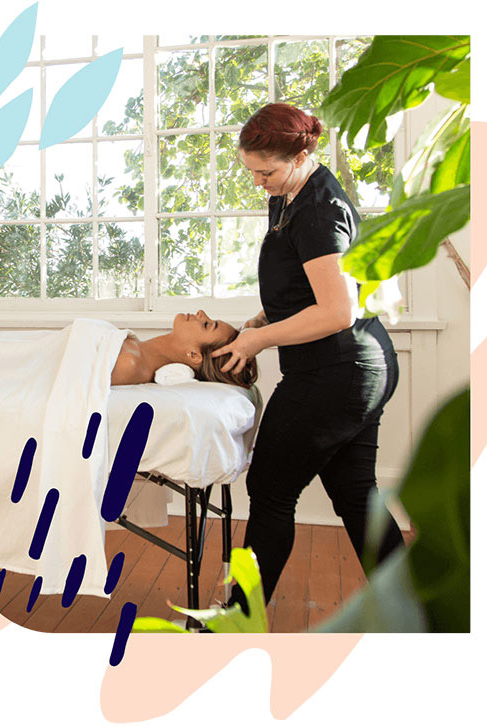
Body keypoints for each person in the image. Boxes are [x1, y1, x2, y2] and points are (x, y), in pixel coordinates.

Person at [212, 102, 405, 612]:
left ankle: (237, 619)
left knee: (270, 490)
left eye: (266, 173)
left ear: (300, 156)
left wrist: (257, 341)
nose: (259, 183)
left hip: (337, 371)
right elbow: (309, 284)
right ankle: (415, 610)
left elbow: (337, 311)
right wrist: (265, 317)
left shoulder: (319, 209)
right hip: (357, 366)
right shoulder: (289, 193)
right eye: (252, 172)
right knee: (356, 494)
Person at [111, 310, 257, 388]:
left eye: (206, 325)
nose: (201, 313)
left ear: (194, 355)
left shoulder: (128, 364)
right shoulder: (132, 348)